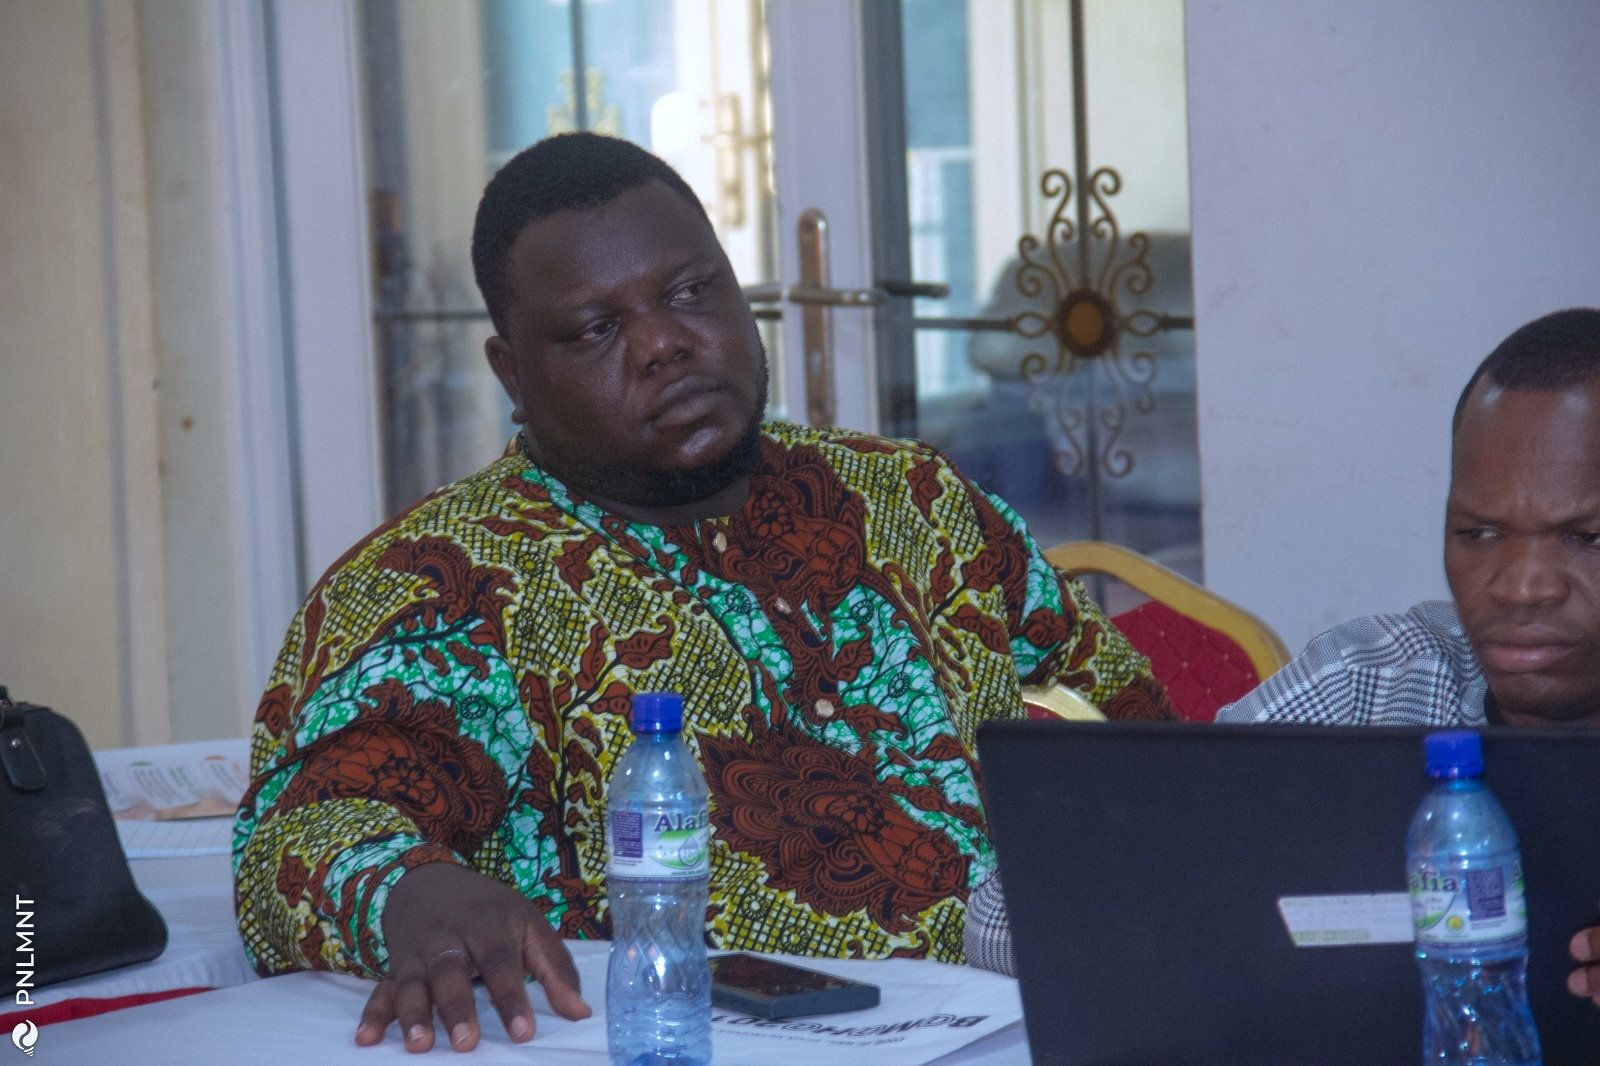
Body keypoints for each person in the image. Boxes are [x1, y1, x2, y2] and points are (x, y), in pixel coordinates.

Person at [232, 132, 1174, 1054]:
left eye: (690, 291)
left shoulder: (912, 498)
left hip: (1038, 1018)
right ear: (512, 372)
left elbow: (1133, 724)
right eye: (598, 329)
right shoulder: (442, 587)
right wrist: (410, 892)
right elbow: (305, 832)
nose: (664, 345)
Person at [966, 308, 1600, 1001]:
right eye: (1479, 534)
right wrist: (1229, 916)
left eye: (1587, 538)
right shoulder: (1374, 684)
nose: (1521, 587)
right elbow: (1002, 917)